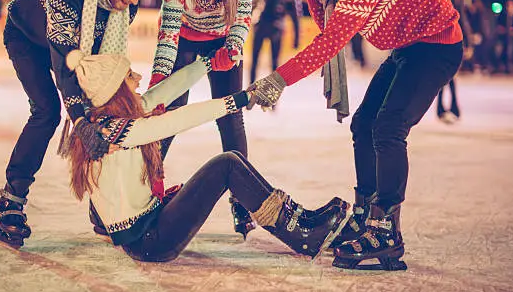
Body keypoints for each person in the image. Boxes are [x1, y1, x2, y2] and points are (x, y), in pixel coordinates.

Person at [248, 0, 463, 270]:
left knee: (389, 127)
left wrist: (278, 79)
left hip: (436, 48)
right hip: (407, 48)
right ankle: (365, 214)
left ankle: (386, 230)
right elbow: (324, 24)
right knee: (363, 125)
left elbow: (331, 41)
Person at [64, 49, 350, 262]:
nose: (138, 77)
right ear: (114, 90)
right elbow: (179, 119)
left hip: (153, 223)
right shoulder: (111, 132)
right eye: (129, 76)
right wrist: (240, 99)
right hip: (150, 241)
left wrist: (208, 64)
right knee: (227, 164)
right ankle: (300, 233)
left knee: (231, 160)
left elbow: (166, 89)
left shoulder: (110, 120)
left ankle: (300, 221)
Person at [0, 0, 155, 248]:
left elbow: (103, 65)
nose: (134, 1)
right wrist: (79, 120)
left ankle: (102, 205)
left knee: (105, 112)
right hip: (25, 36)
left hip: (72, 50)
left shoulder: (123, 6)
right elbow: (68, 66)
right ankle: (10, 203)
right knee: (47, 112)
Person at [147, 0, 256, 237]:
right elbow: (168, 30)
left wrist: (233, 48)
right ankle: (146, 186)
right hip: (183, 40)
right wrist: (160, 77)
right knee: (169, 114)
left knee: (230, 114)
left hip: (223, 41)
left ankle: (242, 197)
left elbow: (243, 13)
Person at [250, 0, 301, 84]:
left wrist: (296, 39)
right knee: (261, 61)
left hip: (271, 26)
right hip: (265, 25)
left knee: (272, 62)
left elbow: (295, 16)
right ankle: (252, 89)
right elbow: (253, 4)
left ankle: (271, 92)